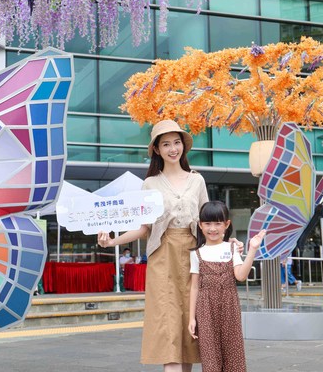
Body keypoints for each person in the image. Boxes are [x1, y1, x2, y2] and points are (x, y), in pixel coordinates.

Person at [98, 119, 243, 372]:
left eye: (176, 142)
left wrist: (228, 242)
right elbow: (144, 228)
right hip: (162, 258)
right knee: (168, 323)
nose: (173, 148)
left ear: (183, 147)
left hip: (194, 257)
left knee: (192, 321)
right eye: (166, 144)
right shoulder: (150, 184)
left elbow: (208, 221)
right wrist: (113, 240)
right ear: (156, 149)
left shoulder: (196, 180)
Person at [188, 201, 265, 372]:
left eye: (217, 223)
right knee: (209, 353)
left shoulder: (231, 248)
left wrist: (252, 249)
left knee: (233, 349)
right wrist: (191, 318)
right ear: (200, 225)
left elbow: (241, 275)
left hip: (229, 306)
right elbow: (194, 287)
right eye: (207, 223)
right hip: (205, 308)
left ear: (226, 224)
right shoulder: (196, 253)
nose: (212, 228)